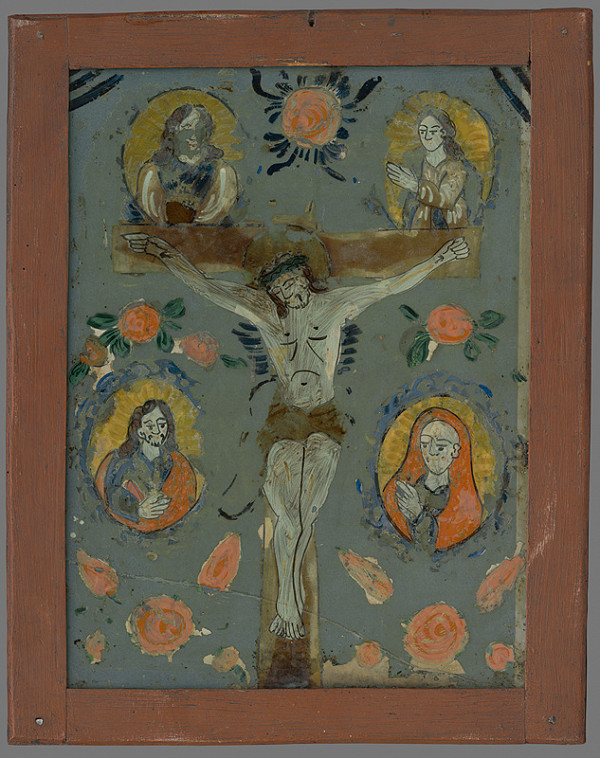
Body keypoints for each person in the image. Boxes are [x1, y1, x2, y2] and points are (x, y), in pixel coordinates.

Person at [124, 231, 469, 637]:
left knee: (308, 509)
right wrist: (165, 251)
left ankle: (289, 599)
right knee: (286, 513)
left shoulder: (333, 305)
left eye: (293, 281)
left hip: (324, 417)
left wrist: (440, 258)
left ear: (306, 276)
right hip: (285, 416)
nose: (290, 292)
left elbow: (388, 286)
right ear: (272, 292)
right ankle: (287, 598)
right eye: (281, 288)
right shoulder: (265, 313)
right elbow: (206, 286)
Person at [382, 407, 483, 551]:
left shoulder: (467, 507)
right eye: (425, 444)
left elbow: (441, 545)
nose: (431, 452)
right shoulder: (401, 491)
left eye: (441, 447)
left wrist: (418, 515)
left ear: (455, 451)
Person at [95, 399, 197, 532]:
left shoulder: (177, 462)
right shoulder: (123, 460)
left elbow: (186, 497)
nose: (157, 431)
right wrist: (137, 510)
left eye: (162, 425)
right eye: (150, 426)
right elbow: (112, 492)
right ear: (140, 432)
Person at [133, 103, 238, 225]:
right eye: (187, 128)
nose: (193, 135)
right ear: (173, 132)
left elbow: (216, 213)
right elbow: (153, 215)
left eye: (199, 128)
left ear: (206, 133)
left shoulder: (222, 171)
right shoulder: (152, 172)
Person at [386, 106, 469, 230]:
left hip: (451, 230)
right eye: (423, 131)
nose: (427, 136)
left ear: (443, 132)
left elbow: (447, 199)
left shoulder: (455, 166)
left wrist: (416, 186)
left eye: (433, 131)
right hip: (421, 230)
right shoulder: (416, 163)